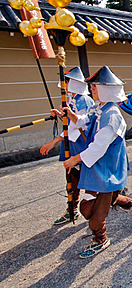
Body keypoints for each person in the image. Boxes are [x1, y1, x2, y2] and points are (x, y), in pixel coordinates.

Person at [61, 66, 132, 258]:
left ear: (106, 89)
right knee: (91, 206)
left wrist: (74, 159)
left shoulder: (113, 116)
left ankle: (100, 239)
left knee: (95, 218)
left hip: (107, 168)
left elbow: (99, 147)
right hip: (96, 167)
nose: (91, 89)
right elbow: (83, 121)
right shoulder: (98, 107)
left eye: (95, 86)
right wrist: (69, 113)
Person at [40, 67, 94, 225]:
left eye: (68, 81)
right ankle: (72, 208)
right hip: (72, 143)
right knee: (72, 177)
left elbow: (75, 124)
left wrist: (53, 142)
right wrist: (60, 114)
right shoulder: (73, 98)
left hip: (81, 144)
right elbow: (69, 121)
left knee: (90, 179)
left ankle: (119, 202)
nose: (64, 83)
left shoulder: (84, 100)